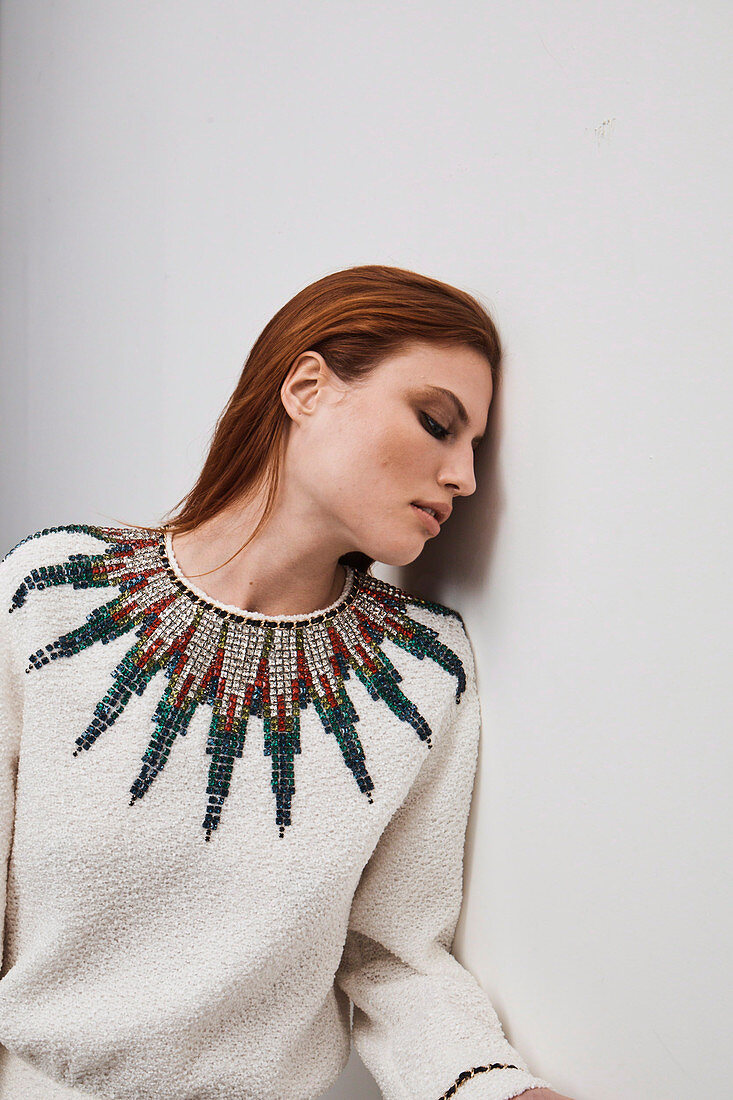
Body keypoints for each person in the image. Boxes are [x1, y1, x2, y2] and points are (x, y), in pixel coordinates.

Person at [0, 265, 573, 1099]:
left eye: (476, 447)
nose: (465, 478)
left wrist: (495, 1088)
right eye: (436, 423)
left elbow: (392, 957)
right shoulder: (52, 592)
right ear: (307, 387)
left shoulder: (422, 670)